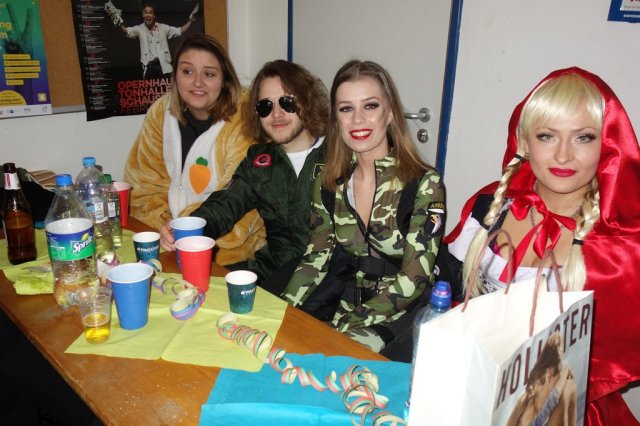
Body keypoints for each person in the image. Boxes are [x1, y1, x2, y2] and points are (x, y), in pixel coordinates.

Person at [438, 67, 640, 424]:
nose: (563, 156)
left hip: (564, 410)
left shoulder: (621, 249)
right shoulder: (490, 206)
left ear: (608, 146)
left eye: (583, 138)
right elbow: (448, 295)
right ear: (524, 142)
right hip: (470, 389)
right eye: (547, 136)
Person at [283, 60, 446, 354]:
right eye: (346, 109)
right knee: (285, 342)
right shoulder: (329, 181)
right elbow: (316, 257)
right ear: (337, 119)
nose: (358, 119)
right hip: (345, 302)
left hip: (401, 310)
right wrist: (282, 311)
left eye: (370, 106)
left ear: (390, 114)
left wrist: (346, 325)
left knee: (331, 356)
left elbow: (414, 279)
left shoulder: (425, 184)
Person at [160, 59, 329, 294]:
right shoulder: (259, 161)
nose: (276, 114)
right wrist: (187, 228)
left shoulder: (338, 158)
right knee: (194, 290)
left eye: (287, 102)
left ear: (307, 101)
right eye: (265, 106)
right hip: (270, 271)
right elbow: (225, 205)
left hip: (323, 281)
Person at [124, 33, 264, 267]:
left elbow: (237, 201)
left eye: (209, 74)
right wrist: (165, 227)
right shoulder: (160, 113)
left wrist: (183, 229)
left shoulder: (245, 120)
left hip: (226, 252)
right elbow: (143, 186)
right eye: (187, 71)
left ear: (225, 79)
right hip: (168, 241)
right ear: (175, 75)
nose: (197, 82)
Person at [105, 1, 199, 79]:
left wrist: (191, 20)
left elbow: (179, 30)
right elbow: (127, 31)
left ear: (154, 15)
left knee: (168, 93)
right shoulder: (139, 29)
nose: (148, 14)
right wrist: (118, 21)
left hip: (165, 69)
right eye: (146, 12)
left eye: (150, 12)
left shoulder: (163, 28)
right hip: (149, 70)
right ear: (143, 15)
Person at [507, 333, 577, 426]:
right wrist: (565, 372)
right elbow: (553, 398)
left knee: (568, 388)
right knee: (568, 389)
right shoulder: (530, 401)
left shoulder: (527, 400)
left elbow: (552, 398)